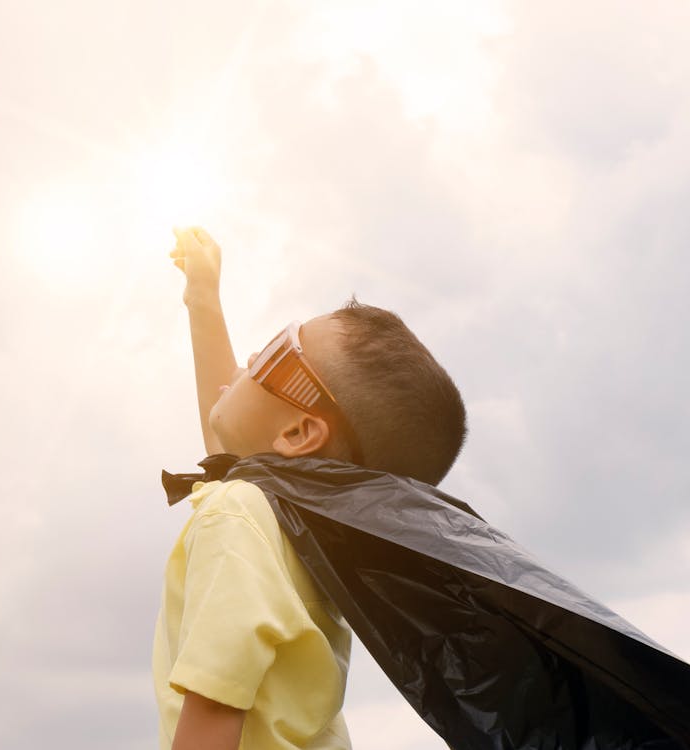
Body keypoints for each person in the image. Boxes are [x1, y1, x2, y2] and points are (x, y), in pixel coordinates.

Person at [152, 226, 468, 750]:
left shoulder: (238, 513)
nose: (252, 355)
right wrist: (202, 297)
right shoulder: (302, 522)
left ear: (299, 432)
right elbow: (227, 430)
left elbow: (214, 706)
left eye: (277, 353)